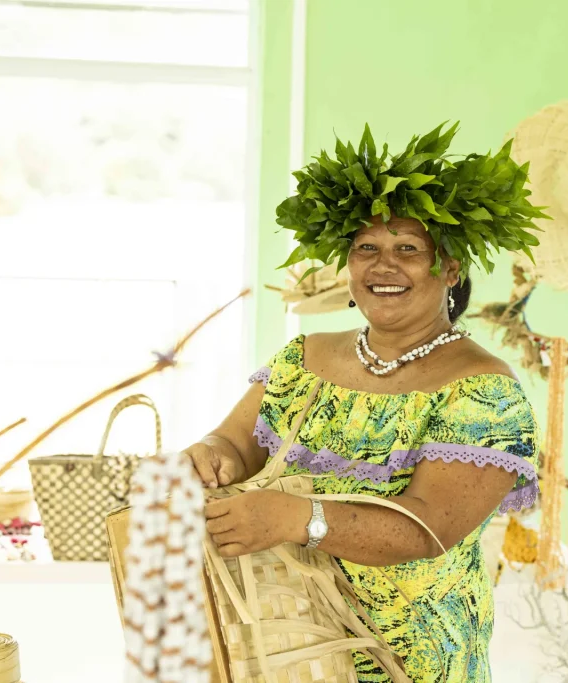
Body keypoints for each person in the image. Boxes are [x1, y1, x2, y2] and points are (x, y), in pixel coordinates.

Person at [183, 122, 546, 683]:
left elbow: (427, 529)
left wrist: (295, 517)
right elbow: (235, 442)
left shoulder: (483, 391)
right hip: (283, 644)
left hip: (409, 659)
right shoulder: (303, 358)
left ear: (449, 268)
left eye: (408, 249)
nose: (384, 265)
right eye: (366, 249)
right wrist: (213, 454)